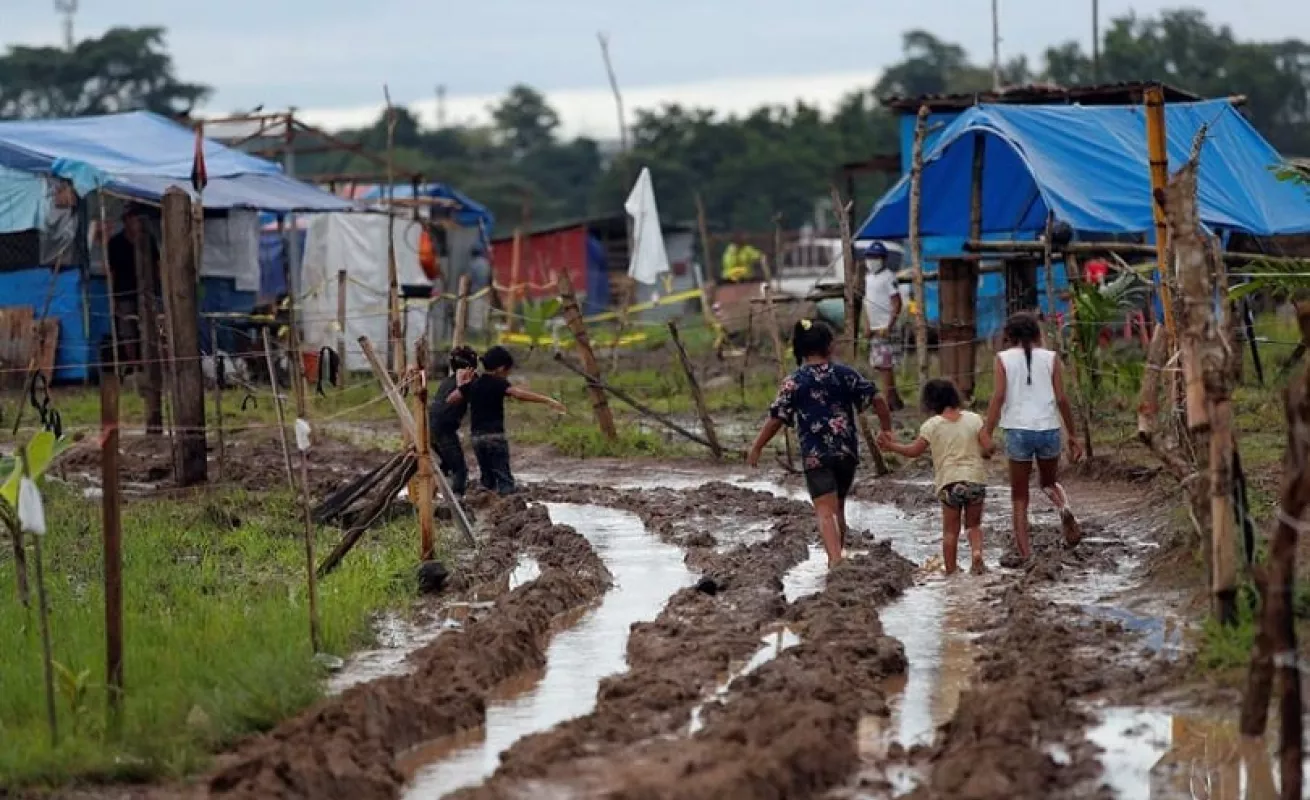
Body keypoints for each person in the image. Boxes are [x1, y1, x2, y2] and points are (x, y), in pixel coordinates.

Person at [747, 319, 892, 566]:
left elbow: (776, 419)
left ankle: (835, 561)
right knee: (839, 507)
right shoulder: (845, 375)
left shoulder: (794, 382)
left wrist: (757, 446)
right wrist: (887, 429)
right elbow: (877, 398)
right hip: (846, 453)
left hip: (816, 455)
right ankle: (839, 555)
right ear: (830, 346)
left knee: (825, 511)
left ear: (801, 349)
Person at [979, 312, 1083, 560]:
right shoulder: (1051, 358)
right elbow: (1061, 399)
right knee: (1048, 483)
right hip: (1048, 429)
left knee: (1019, 495)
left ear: (1007, 337)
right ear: (1038, 334)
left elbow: (999, 396)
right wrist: (1073, 435)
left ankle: (1026, 555)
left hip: (1018, 432)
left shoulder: (1002, 359)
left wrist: (987, 431)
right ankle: (1064, 508)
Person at [878, 379, 988, 575]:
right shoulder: (974, 419)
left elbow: (914, 451)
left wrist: (891, 446)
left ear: (930, 403)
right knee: (973, 525)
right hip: (975, 479)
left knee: (950, 531)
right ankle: (977, 553)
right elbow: (988, 446)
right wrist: (987, 450)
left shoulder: (932, 425)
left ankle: (951, 572)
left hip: (949, 482)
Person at [446, 345, 566, 495]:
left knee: (487, 478)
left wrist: (463, 386)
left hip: (477, 438)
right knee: (503, 476)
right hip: (495, 437)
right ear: (501, 368)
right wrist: (547, 400)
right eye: (508, 371)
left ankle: (488, 508)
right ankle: (509, 505)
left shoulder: (474, 384)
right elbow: (518, 394)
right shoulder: (498, 383)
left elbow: (451, 399)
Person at [105, 204, 157, 364]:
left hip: (147, 292)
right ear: (126, 220)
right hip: (124, 292)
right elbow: (111, 272)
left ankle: (151, 363)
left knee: (150, 328)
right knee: (127, 330)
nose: (136, 222)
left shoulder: (148, 240)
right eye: (132, 218)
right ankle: (134, 364)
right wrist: (112, 298)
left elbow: (157, 265)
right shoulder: (115, 243)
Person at [428, 346, 479, 495]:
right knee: (460, 470)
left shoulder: (447, 381)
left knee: (445, 465)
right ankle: (456, 503)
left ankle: (431, 495)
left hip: (431, 428)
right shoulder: (469, 381)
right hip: (445, 430)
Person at [862, 242, 904, 411]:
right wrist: (867, 325)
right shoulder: (868, 278)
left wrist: (890, 324)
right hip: (874, 327)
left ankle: (887, 400)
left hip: (886, 327)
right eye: (870, 257)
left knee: (886, 364)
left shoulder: (889, 277)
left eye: (876, 257)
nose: (872, 261)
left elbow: (897, 302)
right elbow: (867, 303)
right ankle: (894, 399)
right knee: (880, 365)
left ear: (884, 259)